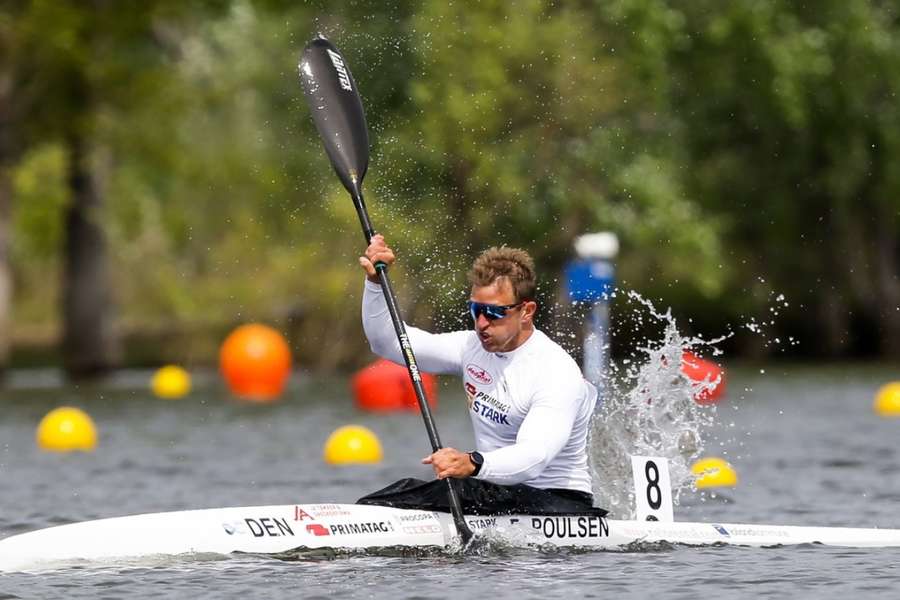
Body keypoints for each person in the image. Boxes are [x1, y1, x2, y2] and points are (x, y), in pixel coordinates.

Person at [356, 235, 603, 516]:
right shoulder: (470, 347)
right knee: (410, 493)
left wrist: (471, 463)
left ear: (527, 311)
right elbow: (388, 343)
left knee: (425, 494)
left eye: (494, 313)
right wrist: (376, 284)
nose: (481, 323)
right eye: (476, 310)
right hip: (494, 493)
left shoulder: (556, 372)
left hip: (558, 503)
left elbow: (535, 456)